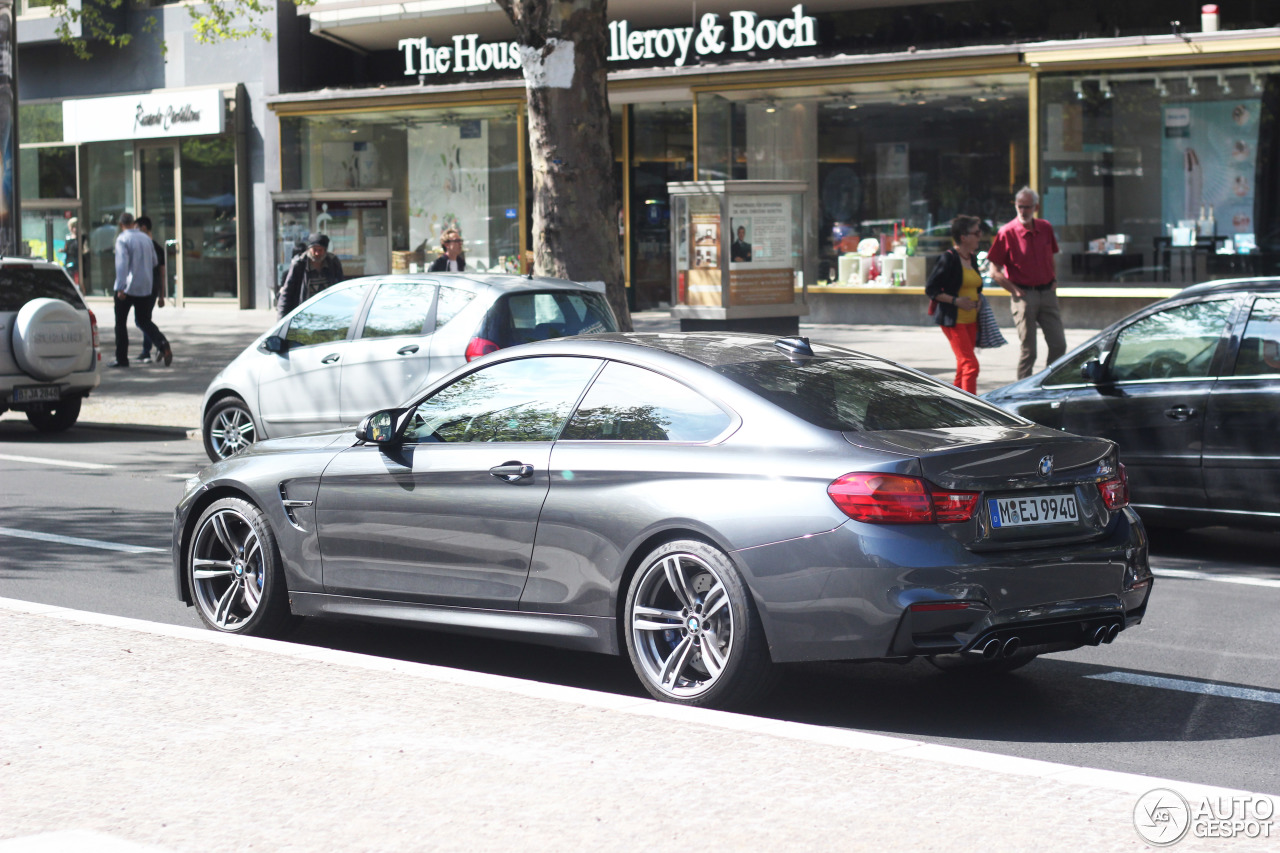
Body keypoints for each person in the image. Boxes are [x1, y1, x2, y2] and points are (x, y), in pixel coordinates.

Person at [987, 187, 1067, 379]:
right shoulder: (1007, 232)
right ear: (1015, 206)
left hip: (1047, 292)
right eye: (1020, 206)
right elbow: (994, 271)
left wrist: (1054, 279)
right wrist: (1013, 289)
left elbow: (1051, 257)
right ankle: (1023, 389)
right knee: (1029, 350)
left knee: (1059, 344)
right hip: (1024, 295)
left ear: (1036, 207)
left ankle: (1049, 381)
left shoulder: (1045, 227)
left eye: (1028, 207)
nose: (1023, 211)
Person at [924, 215, 984, 394]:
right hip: (953, 320)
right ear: (963, 237)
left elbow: (977, 285)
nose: (980, 236)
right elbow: (931, 289)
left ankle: (953, 405)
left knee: (962, 366)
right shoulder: (948, 258)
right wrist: (955, 301)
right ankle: (972, 409)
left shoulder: (971, 258)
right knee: (970, 365)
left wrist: (979, 298)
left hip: (971, 320)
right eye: (976, 233)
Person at [110, 212, 172, 368]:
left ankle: (122, 358)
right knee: (144, 320)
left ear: (121, 225)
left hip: (128, 287)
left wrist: (120, 288)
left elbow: (122, 265)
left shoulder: (122, 239)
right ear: (133, 223)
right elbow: (154, 262)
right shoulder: (146, 238)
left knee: (121, 323)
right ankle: (162, 343)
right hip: (145, 287)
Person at [277, 232, 345, 318]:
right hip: (306, 316)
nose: (317, 253)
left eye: (320, 250)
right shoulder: (299, 264)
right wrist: (281, 320)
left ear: (325, 250)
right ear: (309, 249)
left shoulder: (333, 263)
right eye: (314, 250)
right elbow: (287, 294)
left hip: (328, 314)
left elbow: (341, 288)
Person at [135, 216, 166, 363]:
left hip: (146, 288)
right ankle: (149, 349)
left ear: (144, 228)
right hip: (151, 289)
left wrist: (162, 295)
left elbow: (162, 272)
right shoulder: (155, 247)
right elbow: (162, 274)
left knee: (143, 320)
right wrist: (161, 295)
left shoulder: (150, 247)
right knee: (145, 319)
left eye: (137, 227)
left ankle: (155, 346)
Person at [63, 218, 80, 291]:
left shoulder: (80, 238)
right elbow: (66, 248)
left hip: (77, 260)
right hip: (69, 260)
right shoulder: (68, 237)